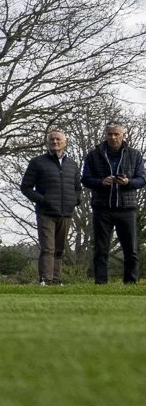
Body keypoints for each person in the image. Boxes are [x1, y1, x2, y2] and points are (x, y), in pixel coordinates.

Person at [81, 122, 142, 285]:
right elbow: (85, 179)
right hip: (102, 208)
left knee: (131, 250)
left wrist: (128, 182)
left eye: (116, 134)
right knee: (101, 249)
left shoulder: (135, 155)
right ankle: (100, 283)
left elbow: (142, 179)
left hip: (126, 208)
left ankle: (130, 283)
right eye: (110, 134)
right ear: (105, 135)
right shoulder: (93, 155)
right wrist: (101, 182)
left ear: (123, 135)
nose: (113, 137)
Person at [21, 129, 81, 286]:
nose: (55, 142)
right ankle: (45, 280)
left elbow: (77, 187)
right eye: (52, 139)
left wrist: (75, 200)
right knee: (48, 248)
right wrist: (43, 200)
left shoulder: (73, 164)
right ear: (48, 143)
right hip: (46, 212)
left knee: (59, 249)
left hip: (66, 213)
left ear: (65, 142)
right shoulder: (37, 162)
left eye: (58, 139)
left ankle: (56, 280)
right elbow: (26, 187)